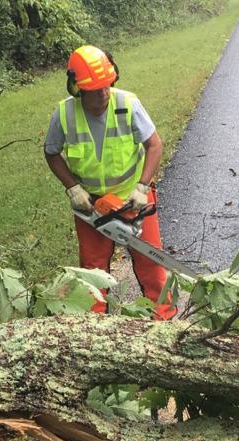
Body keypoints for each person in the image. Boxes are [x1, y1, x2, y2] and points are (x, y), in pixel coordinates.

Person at [44, 44, 176, 320]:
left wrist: (142, 187)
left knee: (152, 264)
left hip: (133, 199)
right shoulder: (65, 114)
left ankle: (165, 324)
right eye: (95, 89)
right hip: (91, 206)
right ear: (77, 87)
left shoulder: (127, 104)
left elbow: (154, 145)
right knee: (93, 274)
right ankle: (95, 329)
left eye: (107, 86)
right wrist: (73, 188)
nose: (103, 94)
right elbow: (51, 152)